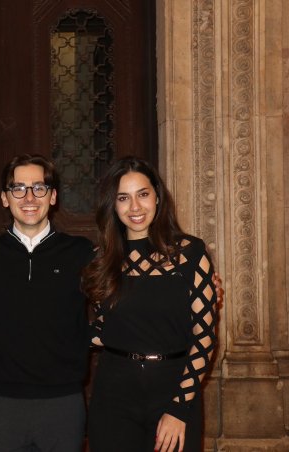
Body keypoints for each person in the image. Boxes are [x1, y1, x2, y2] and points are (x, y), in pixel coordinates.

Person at [82, 156, 218, 452]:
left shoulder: (190, 253)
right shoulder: (101, 260)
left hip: (174, 389)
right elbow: (103, 328)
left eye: (142, 194)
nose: (135, 207)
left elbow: (205, 338)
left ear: (157, 196)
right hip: (113, 396)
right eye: (123, 198)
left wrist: (179, 408)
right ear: (113, 205)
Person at [0, 154, 95, 451]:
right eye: (18, 188)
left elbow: (121, 299)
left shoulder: (81, 252)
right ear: (5, 198)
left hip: (63, 404)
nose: (29, 197)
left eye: (39, 188)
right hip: (2, 405)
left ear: (53, 196)